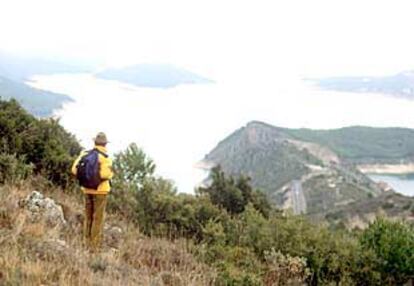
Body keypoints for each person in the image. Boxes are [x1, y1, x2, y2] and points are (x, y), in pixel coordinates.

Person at [71, 132, 113, 251]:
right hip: (100, 192)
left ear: (94, 142)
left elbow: (74, 170)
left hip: (86, 189)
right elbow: (105, 174)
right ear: (105, 144)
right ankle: (94, 248)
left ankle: (85, 243)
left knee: (88, 217)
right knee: (97, 219)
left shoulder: (84, 154)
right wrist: (111, 173)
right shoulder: (105, 158)